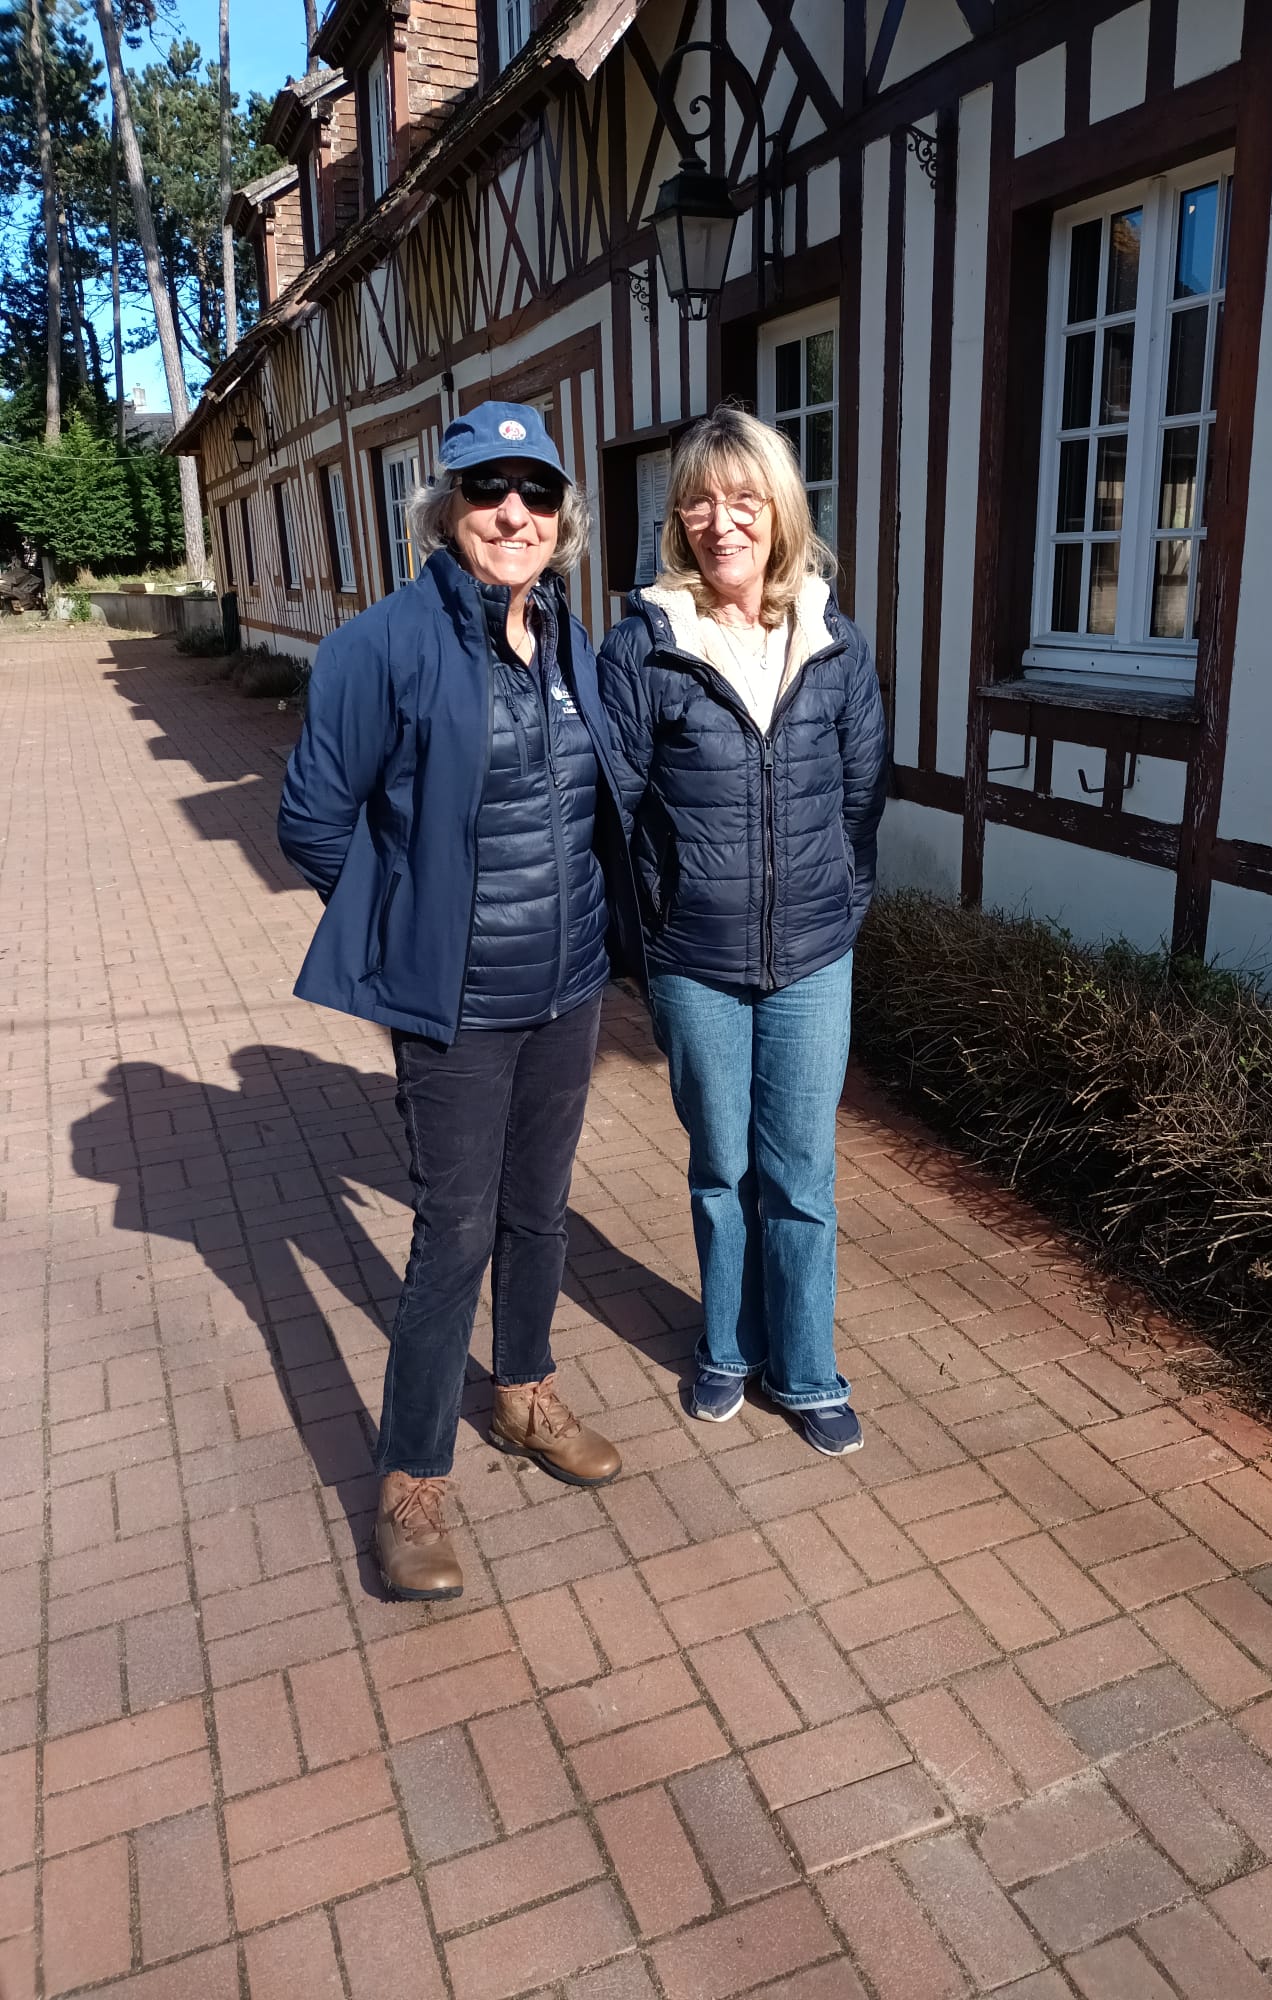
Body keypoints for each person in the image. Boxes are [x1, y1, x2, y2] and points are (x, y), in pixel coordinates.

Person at [278, 401, 627, 1602]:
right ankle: (413, 1476)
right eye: (488, 489)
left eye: (537, 492)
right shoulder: (378, 647)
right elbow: (312, 819)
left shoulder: (575, 640)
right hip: (459, 1004)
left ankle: (523, 1390)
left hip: (569, 983)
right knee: (454, 1232)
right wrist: (409, 919)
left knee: (540, 1210)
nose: (513, 513)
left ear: (564, 518)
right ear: (446, 509)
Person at [598, 406, 887, 1455]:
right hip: (695, 961)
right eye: (701, 502)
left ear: (781, 510)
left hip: (812, 956)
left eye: (745, 499)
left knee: (800, 1176)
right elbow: (615, 811)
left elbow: (861, 796)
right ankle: (728, 1344)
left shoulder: (832, 640)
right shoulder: (645, 646)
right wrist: (653, 933)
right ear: (679, 519)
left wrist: (838, 907)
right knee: (722, 1167)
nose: (723, 522)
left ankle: (805, 1370)